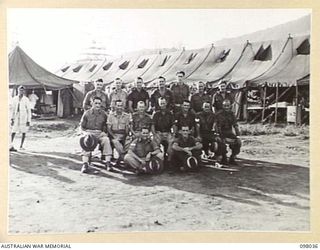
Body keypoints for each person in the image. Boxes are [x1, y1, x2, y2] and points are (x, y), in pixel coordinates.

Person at [79, 96, 112, 173]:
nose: (97, 105)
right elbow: (81, 126)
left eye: (99, 103)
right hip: (89, 132)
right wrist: (85, 133)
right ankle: (85, 164)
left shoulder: (104, 114)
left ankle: (108, 163)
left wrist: (105, 132)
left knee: (106, 140)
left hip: (99, 133)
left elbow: (107, 125)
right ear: (92, 103)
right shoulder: (87, 113)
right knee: (87, 140)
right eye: (95, 103)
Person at [215, 99, 241, 164]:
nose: (226, 107)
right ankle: (223, 157)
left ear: (230, 106)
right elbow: (216, 126)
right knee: (221, 142)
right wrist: (218, 135)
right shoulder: (218, 114)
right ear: (222, 106)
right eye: (225, 106)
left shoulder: (232, 114)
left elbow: (235, 125)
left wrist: (238, 135)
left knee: (238, 143)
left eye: (228, 105)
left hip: (229, 132)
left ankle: (232, 157)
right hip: (221, 132)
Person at [107, 100, 131, 166]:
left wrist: (126, 136)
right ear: (115, 106)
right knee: (116, 142)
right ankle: (123, 158)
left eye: (121, 105)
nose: (119, 107)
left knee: (129, 142)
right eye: (118, 105)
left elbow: (127, 129)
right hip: (114, 135)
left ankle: (120, 159)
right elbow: (109, 129)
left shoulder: (127, 116)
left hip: (123, 134)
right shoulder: (111, 116)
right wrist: (114, 136)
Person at [151, 97, 175, 162]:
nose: (163, 105)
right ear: (159, 104)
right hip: (159, 132)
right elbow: (153, 125)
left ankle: (169, 160)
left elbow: (173, 125)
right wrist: (154, 134)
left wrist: (174, 133)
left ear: (166, 103)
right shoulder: (156, 114)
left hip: (168, 132)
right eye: (161, 103)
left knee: (172, 142)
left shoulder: (170, 113)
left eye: (164, 103)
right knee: (154, 142)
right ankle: (159, 159)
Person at [10, 86, 31, 151]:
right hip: (16, 116)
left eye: (22, 90)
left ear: (24, 91)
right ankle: (10, 145)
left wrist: (28, 120)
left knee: (23, 131)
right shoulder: (14, 99)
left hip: (23, 117)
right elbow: (12, 109)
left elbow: (28, 110)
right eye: (20, 90)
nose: (21, 91)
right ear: (18, 90)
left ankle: (21, 146)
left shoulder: (26, 99)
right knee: (13, 130)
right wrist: (12, 118)